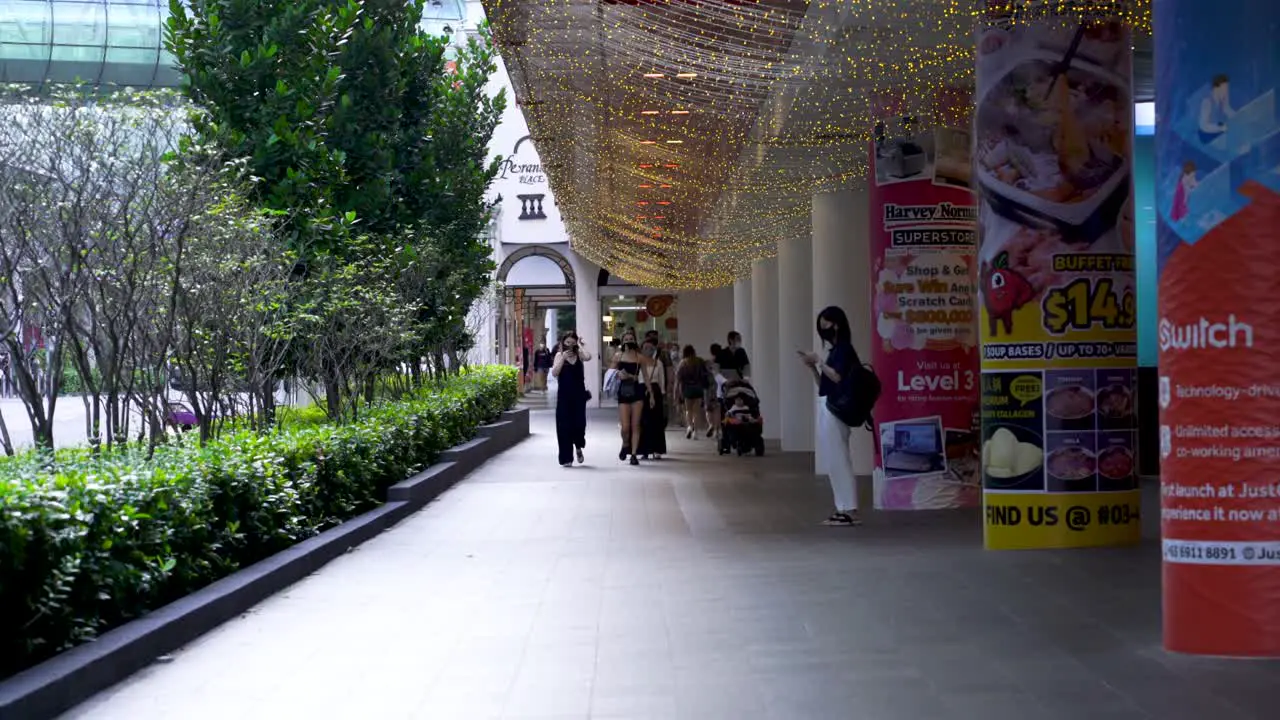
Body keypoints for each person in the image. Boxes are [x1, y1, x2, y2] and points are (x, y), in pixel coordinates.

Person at [798, 306, 863, 527]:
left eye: (825, 323)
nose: (823, 329)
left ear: (836, 324)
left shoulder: (844, 350)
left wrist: (819, 361)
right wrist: (813, 368)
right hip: (828, 405)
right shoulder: (836, 350)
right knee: (834, 460)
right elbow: (824, 384)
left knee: (839, 458)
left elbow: (837, 377)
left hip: (837, 410)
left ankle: (849, 509)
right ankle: (842, 507)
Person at [551, 332, 592, 467]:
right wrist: (563, 358)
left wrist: (580, 345)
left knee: (579, 424)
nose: (570, 346)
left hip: (579, 395)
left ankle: (578, 446)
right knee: (564, 427)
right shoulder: (559, 355)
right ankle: (566, 458)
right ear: (563, 343)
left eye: (572, 343)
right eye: (567, 343)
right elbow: (555, 373)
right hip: (564, 396)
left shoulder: (579, 354)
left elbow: (588, 357)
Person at [610, 329, 648, 465]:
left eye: (631, 339)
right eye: (626, 339)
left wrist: (651, 393)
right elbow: (611, 373)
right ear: (622, 342)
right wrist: (618, 374)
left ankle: (633, 454)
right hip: (623, 391)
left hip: (637, 391)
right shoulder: (618, 356)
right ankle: (625, 443)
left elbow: (646, 377)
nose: (628, 341)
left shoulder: (640, 357)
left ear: (635, 340)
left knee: (635, 424)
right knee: (625, 427)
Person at [637, 338, 668, 459]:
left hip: (655, 392)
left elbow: (662, 380)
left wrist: (663, 393)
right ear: (641, 349)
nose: (648, 350)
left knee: (656, 421)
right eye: (645, 348)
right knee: (642, 421)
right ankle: (644, 450)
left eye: (651, 348)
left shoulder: (658, 363)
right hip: (641, 391)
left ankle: (656, 449)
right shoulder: (638, 363)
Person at [676, 345, 713, 439]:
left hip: (686, 389)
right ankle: (695, 432)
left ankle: (689, 427)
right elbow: (705, 375)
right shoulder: (699, 361)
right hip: (698, 388)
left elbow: (679, 379)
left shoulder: (683, 363)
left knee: (688, 410)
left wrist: (678, 392)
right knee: (696, 412)